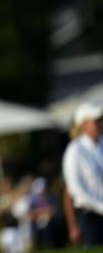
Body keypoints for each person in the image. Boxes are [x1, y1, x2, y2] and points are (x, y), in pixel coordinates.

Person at [62, 101, 103, 246]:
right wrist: (73, 226)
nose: (100, 123)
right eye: (95, 121)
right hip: (91, 215)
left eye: (100, 120)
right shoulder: (75, 150)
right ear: (83, 125)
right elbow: (74, 190)